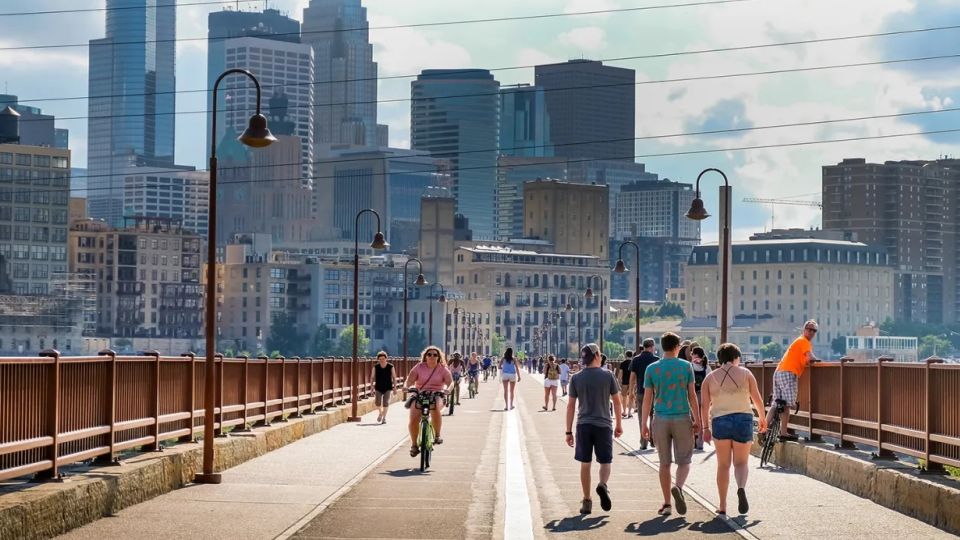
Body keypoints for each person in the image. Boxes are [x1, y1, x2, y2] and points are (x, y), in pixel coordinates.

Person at [700, 343, 767, 515]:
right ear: (736, 358)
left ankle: (722, 505)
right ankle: (741, 488)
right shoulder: (746, 374)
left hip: (720, 420)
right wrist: (762, 418)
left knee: (723, 464)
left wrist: (705, 427)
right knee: (741, 462)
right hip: (743, 419)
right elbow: (757, 399)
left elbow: (704, 406)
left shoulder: (710, 378)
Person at [641, 332, 702, 516]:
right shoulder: (686, 367)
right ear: (678, 347)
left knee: (664, 463)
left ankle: (667, 504)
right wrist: (697, 420)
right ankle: (678, 487)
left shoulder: (652, 369)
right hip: (682, 416)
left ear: (661, 346)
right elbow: (692, 396)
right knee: (684, 461)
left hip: (660, 418)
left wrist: (644, 423)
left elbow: (647, 399)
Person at [566, 343, 623, 515]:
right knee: (605, 461)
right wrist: (619, 424)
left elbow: (570, 406)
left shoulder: (576, 378)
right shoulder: (608, 375)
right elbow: (617, 401)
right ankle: (602, 484)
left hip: (583, 424)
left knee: (585, 463)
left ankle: (587, 500)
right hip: (604, 424)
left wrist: (568, 431)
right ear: (597, 355)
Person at [767, 320, 819, 441]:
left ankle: (763, 428)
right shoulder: (804, 341)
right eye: (809, 329)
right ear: (804, 330)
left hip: (779, 371)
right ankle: (783, 433)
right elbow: (811, 358)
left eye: (814, 330)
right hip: (789, 373)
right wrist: (816, 360)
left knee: (776, 403)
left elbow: (803, 359)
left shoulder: (799, 341)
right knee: (787, 405)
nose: (811, 332)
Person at [405, 346, 453, 458]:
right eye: (429, 354)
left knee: (435, 405)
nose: (432, 356)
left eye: (435, 355)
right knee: (413, 421)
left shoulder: (442, 369)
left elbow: (450, 383)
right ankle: (414, 445)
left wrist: (448, 389)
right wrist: (405, 387)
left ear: (438, 357)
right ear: (425, 356)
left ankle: (437, 435)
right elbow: (409, 380)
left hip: (437, 394)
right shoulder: (419, 367)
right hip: (420, 393)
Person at [629, 338, 659, 450]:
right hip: (655, 392)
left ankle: (643, 442)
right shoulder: (656, 359)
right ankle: (652, 439)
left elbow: (632, 378)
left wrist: (631, 392)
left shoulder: (636, 359)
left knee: (642, 417)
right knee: (654, 416)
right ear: (651, 347)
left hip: (641, 392)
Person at [690, 346, 712, 450]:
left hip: (692, 395)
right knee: (703, 418)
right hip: (704, 395)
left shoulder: (690, 365)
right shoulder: (706, 367)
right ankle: (700, 443)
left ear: (694, 354)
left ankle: (692, 440)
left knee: (693, 418)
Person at [370, 351, 395, 424]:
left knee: (385, 402)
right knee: (377, 403)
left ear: (386, 359)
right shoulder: (376, 366)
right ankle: (380, 413)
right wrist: (371, 386)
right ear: (378, 359)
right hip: (378, 386)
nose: (381, 360)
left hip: (388, 387)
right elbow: (372, 377)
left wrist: (395, 387)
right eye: (380, 359)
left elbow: (394, 377)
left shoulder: (390, 366)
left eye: (383, 359)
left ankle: (384, 418)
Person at [618, 351, 635, 419]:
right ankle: (629, 412)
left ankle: (624, 411)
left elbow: (620, 373)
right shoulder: (633, 362)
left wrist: (619, 381)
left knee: (624, 397)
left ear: (626, 355)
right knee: (631, 396)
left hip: (624, 381)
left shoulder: (623, 363)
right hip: (632, 381)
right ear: (632, 355)